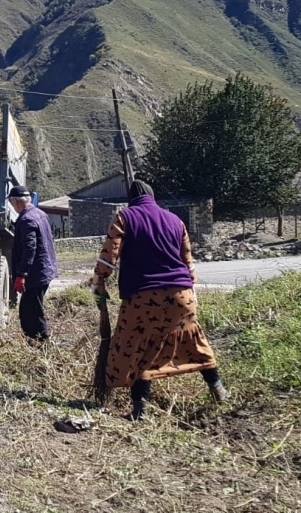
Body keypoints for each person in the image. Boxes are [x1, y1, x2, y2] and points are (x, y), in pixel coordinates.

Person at [90, 180, 228, 421]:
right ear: (153, 197)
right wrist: (189, 288)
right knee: (194, 341)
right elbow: (188, 263)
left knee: (136, 347)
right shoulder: (176, 220)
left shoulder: (125, 217)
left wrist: (99, 281)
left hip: (144, 298)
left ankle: (139, 410)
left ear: (131, 199)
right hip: (182, 296)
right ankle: (218, 389)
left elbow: (109, 256)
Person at [8, 186, 58, 341]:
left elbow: (30, 248)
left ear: (16, 201)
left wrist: (21, 275)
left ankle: (41, 345)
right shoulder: (40, 214)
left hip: (35, 275)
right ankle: (36, 343)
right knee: (30, 310)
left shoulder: (26, 220)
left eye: (11, 202)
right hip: (44, 271)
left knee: (31, 313)